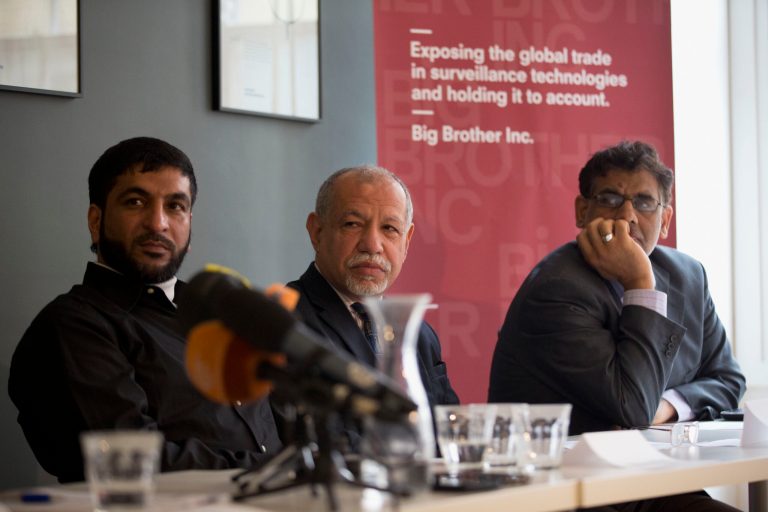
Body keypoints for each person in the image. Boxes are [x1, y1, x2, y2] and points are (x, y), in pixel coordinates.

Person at [488, 140, 745, 511]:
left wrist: (667, 406)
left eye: (644, 202)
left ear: (666, 219)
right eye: (610, 199)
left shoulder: (689, 275)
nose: (627, 216)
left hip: (648, 482)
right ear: (582, 211)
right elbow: (632, 408)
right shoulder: (557, 287)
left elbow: (727, 380)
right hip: (564, 492)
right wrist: (641, 284)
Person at [9, 137, 282, 483]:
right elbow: (134, 462)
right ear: (96, 220)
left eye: (175, 206)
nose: (158, 223)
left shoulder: (222, 312)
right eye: (136, 202)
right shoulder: (73, 325)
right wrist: (274, 472)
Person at [288, 165, 459, 409]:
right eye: (352, 224)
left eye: (389, 228)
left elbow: (446, 435)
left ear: (406, 241)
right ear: (317, 231)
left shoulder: (419, 335)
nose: (372, 245)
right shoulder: (287, 325)